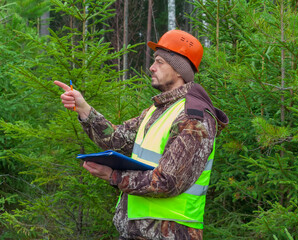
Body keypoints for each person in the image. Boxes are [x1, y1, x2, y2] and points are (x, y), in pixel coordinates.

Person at [54, 29, 229, 240]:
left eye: (160, 62)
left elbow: (168, 181)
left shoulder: (193, 118)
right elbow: (117, 140)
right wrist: (84, 109)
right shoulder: (157, 111)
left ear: (179, 70)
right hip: (136, 233)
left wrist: (113, 176)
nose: (151, 68)